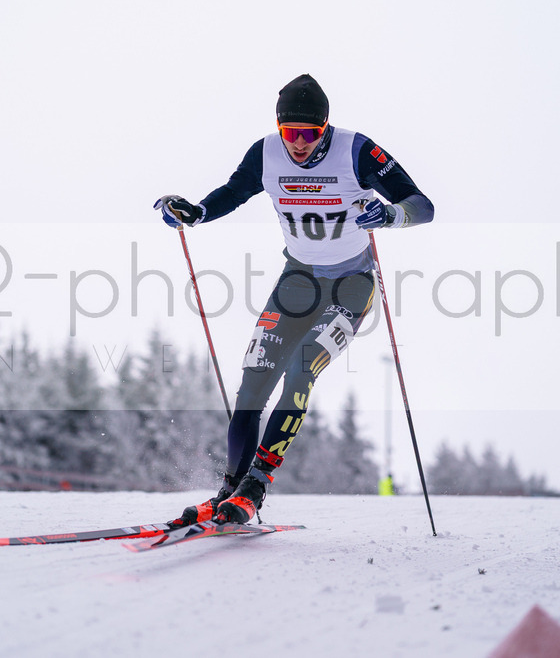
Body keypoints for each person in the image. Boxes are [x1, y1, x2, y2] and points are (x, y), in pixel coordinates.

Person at [154, 74, 434, 525]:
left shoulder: (357, 150)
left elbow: (423, 205)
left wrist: (391, 214)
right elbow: (234, 191)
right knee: (253, 380)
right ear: (278, 128)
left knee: (302, 368)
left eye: (310, 134)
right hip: (298, 280)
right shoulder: (265, 152)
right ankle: (228, 490)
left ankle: (255, 487)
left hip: (353, 285)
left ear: (326, 127)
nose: (299, 144)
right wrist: (198, 212)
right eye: (290, 134)